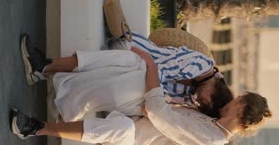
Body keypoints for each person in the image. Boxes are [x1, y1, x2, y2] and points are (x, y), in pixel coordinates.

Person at [12, 36, 272, 145]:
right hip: (139, 116)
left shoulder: (212, 139)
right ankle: (44, 68)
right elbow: (161, 108)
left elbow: (158, 110)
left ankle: (36, 128)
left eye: (240, 98)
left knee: (123, 124)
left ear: (241, 106)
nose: (234, 98)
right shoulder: (214, 123)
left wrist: (151, 63)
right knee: (132, 61)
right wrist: (146, 64)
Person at [21, 33, 233, 119]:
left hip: (142, 74)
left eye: (202, 105)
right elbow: (157, 70)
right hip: (134, 51)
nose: (199, 101)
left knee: (131, 90)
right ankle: (47, 69)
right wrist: (154, 94)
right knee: (129, 77)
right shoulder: (202, 64)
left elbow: (160, 99)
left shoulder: (193, 96)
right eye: (206, 100)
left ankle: (52, 84)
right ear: (216, 89)